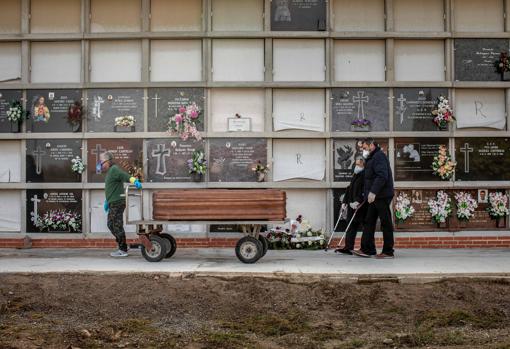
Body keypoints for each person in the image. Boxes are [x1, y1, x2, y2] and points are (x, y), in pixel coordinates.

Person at [353, 138, 395, 259]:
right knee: (369, 221)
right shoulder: (371, 158)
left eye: (364, 147)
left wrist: (373, 192)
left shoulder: (379, 157)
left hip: (381, 195)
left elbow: (382, 176)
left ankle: (388, 251)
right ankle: (367, 249)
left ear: (371, 145)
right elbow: (369, 177)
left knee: (385, 223)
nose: (363, 150)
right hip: (373, 196)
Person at [100, 152, 142, 257]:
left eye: (102, 162)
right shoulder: (110, 171)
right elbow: (111, 188)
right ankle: (123, 245)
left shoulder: (114, 169)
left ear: (108, 161)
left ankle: (122, 249)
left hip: (117, 203)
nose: (101, 164)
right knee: (111, 225)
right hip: (112, 202)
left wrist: (135, 181)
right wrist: (107, 201)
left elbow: (125, 176)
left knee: (116, 225)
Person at [336, 156, 366, 255]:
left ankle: (365, 248)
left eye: (358, 164)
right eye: (355, 164)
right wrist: (345, 201)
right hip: (351, 204)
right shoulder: (355, 174)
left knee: (365, 227)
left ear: (363, 164)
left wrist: (358, 201)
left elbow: (364, 190)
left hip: (360, 206)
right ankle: (348, 247)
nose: (356, 166)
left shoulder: (364, 175)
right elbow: (349, 189)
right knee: (350, 226)